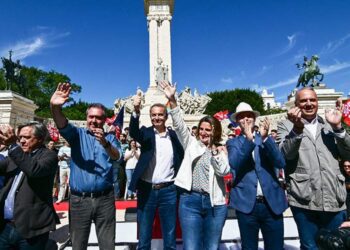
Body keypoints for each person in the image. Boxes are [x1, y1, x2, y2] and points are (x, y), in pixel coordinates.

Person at [50, 82, 121, 250]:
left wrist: (104, 143)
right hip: (79, 200)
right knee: (78, 244)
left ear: (104, 120)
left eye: (99, 118)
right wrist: (55, 108)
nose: (94, 121)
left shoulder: (110, 138)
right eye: (91, 117)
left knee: (107, 244)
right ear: (86, 118)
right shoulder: (77, 135)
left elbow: (116, 156)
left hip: (105, 199)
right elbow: (62, 124)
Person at [277, 87, 350, 249]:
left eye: (313, 100)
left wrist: (338, 128)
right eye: (303, 101)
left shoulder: (330, 124)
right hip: (304, 201)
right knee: (310, 247)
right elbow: (285, 155)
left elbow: (348, 154)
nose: (309, 104)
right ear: (295, 105)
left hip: (334, 199)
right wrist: (296, 129)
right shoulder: (285, 126)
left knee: (337, 246)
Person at [160, 81, 230, 249]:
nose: (204, 132)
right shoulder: (191, 143)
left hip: (215, 203)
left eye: (208, 129)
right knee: (191, 247)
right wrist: (172, 99)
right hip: (190, 200)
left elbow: (223, 171)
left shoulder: (221, 150)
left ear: (216, 132)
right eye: (202, 129)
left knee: (211, 247)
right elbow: (179, 125)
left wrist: (214, 151)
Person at [227, 102, 288, 250]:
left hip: (271, 204)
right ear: (237, 121)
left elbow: (280, 162)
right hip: (247, 205)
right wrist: (248, 141)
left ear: (254, 119)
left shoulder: (266, 139)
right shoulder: (233, 142)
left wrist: (266, 139)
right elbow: (235, 163)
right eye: (241, 117)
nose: (246, 119)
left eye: (249, 116)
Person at [128, 90, 184, 250]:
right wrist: (136, 110)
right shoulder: (145, 133)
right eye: (154, 115)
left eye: (160, 115)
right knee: (144, 236)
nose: (157, 118)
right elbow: (133, 132)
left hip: (169, 190)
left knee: (170, 236)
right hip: (147, 190)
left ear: (166, 117)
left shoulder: (174, 136)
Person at [0, 122, 59, 249]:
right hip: (5, 227)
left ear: (40, 139)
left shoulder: (49, 156)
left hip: (31, 230)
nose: (21, 141)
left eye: (26, 137)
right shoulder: (16, 156)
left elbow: (33, 170)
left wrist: (12, 145)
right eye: (20, 137)